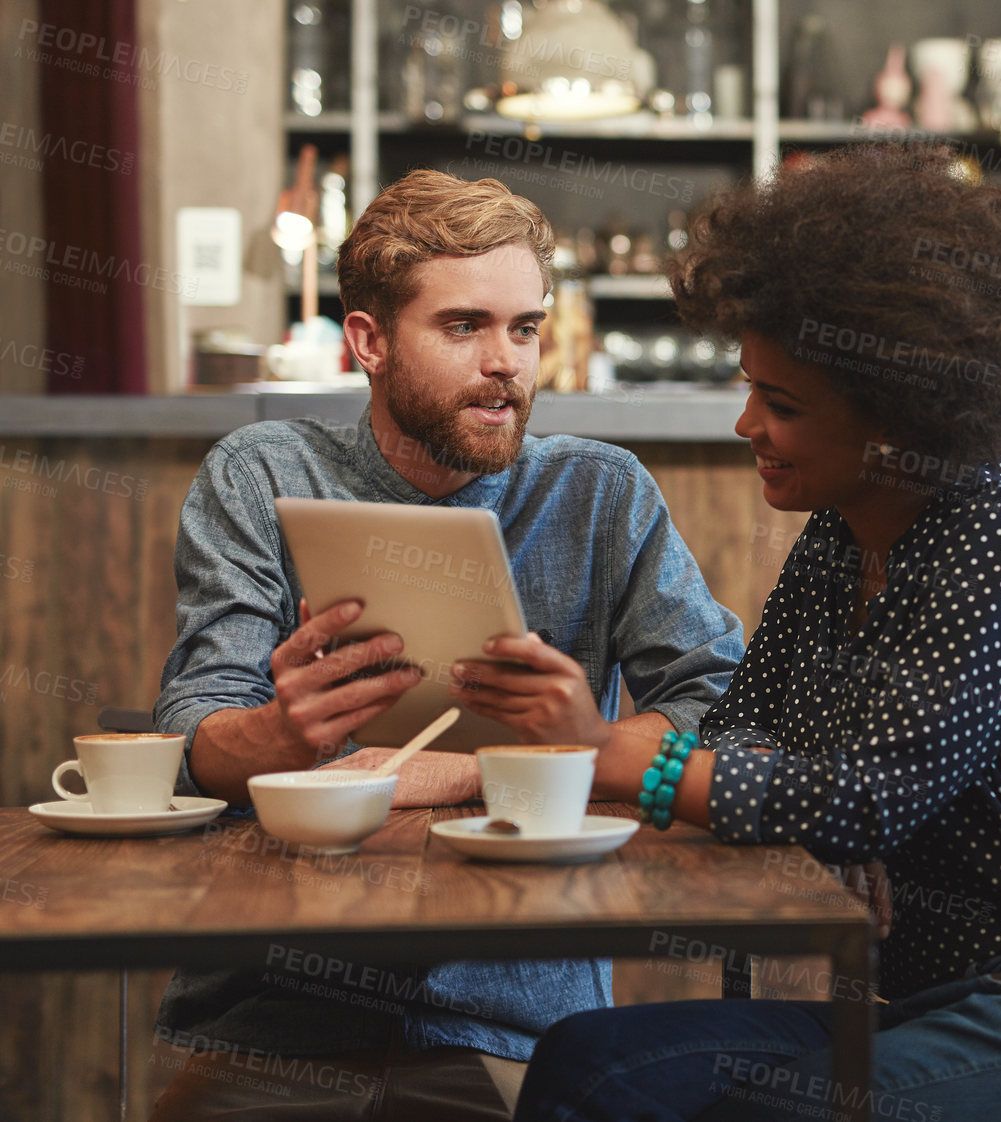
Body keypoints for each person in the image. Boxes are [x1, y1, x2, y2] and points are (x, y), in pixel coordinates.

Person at [512, 145, 1001, 1122]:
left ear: (895, 417)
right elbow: (747, 730)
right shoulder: (839, 540)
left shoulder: (996, 544)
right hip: (930, 1003)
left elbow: (869, 797)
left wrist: (635, 761)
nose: (744, 423)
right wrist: (805, 807)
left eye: (783, 403)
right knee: (589, 1067)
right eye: (750, 387)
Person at [147, 168, 744, 1121]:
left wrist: (466, 771)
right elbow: (195, 732)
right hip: (279, 1015)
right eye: (464, 326)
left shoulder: (599, 492)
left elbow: (721, 705)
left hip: (515, 1020)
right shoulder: (261, 473)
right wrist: (277, 738)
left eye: (525, 327)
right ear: (370, 342)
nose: (506, 361)